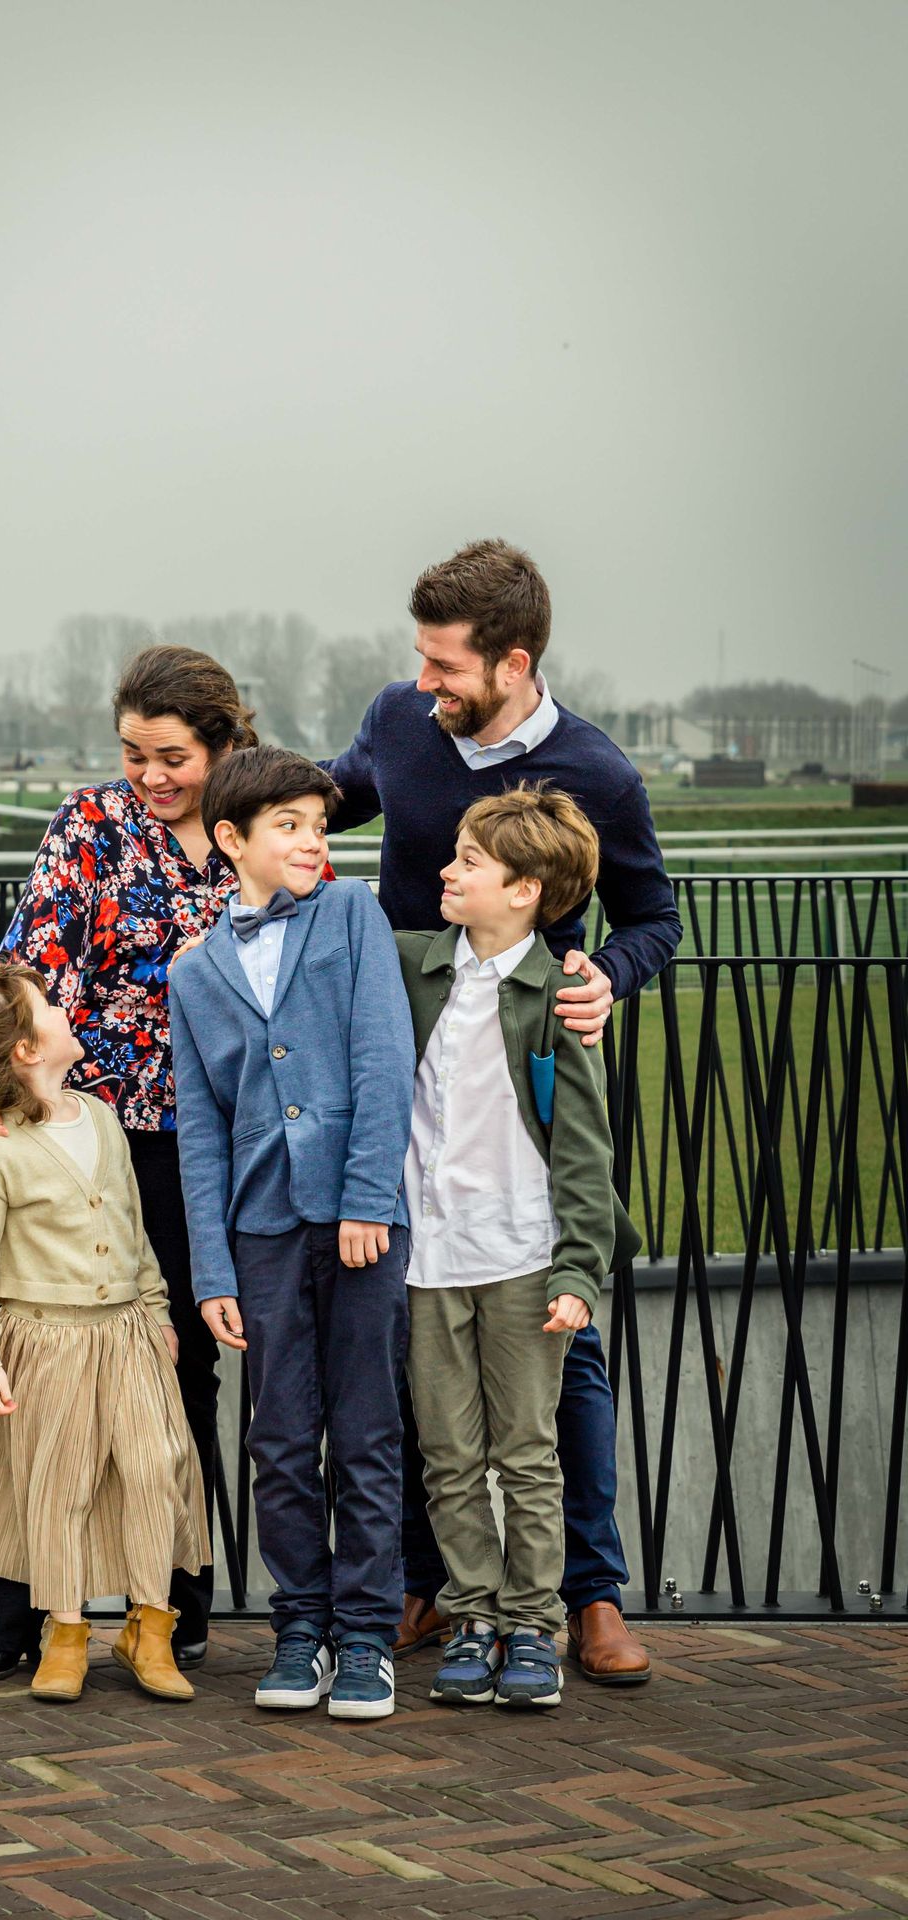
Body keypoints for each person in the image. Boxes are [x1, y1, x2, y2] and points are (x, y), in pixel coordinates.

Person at [322, 538, 681, 1684]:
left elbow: (652, 919)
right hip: (404, 1073)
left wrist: (602, 979)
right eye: (420, 660)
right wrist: (212, 795)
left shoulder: (597, 773)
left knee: (559, 1358)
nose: (422, 683)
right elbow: (320, 802)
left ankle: (588, 1595)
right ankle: (433, 1587)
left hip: (525, 1079)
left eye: (445, 667)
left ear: (512, 663)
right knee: (411, 1351)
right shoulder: (398, 719)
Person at [0, 646, 257, 1666]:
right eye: (134, 753)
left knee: (177, 1374)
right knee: (34, 1361)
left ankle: (167, 1610)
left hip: (203, 1147)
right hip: (75, 1133)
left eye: (172, 756)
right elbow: (28, 969)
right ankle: (10, 1620)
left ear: (224, 744)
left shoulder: (256, 830)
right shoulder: (89, 823)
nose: (150, 775)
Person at [169, 746, 415, 1721]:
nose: (313, 841)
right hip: (261, 1231)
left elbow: (382, 1058)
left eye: (318, 825)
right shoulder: (193, 972)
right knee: (277, 1438)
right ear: (231, 839)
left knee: (365, 1433)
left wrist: (367, 1198)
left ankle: (366, 1637)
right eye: (289, 826)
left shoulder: (351, 915)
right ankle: (300, 1627)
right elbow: (200, 1129)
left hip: (358, 1225)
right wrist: (212, 1268)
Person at [397, 786, 642, 1709]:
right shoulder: (412, 965)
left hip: (524, 1261)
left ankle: (535, 1625)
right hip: (428, 1263)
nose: (446, 871)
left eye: (468, 861)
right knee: (448, 1455)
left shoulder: (561, 996)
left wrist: (578, 1268)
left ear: (526, 889)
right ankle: (472, 1617)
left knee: (529, 1453)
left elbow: (583, 1151)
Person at [0, 963, 210, 1702]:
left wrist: (156, 1308)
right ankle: (65, 1630)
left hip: (127, 1334)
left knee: (155, 1469)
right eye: (49, 1006)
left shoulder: (103, 1118)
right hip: (46, 1342)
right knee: (61, 1486)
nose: (65, 1008)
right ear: (26, 1049)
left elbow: (133, 1229)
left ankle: (151, 1626)